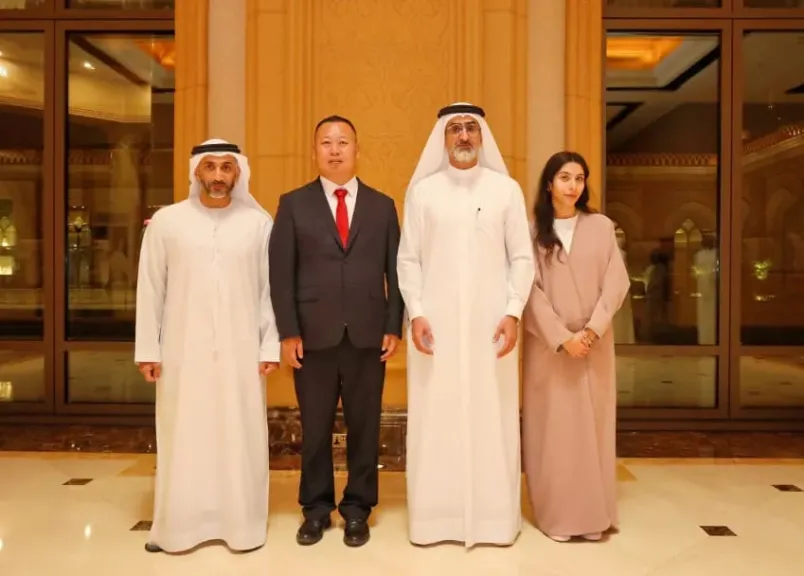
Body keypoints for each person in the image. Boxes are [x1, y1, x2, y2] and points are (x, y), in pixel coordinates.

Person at [396, 102, 535, 547]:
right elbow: (409, 259)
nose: (462, 135)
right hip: (434, 330)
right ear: (443, 137)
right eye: (454, 128)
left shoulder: (505, 190)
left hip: (492, 329)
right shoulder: (423, 193)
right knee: (436, 418)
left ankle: (494, 521)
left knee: (492, 416)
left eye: (470, 128)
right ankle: (435, 521)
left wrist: (513, 311)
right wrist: (417, 310)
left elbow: (522, 257)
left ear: (481, 136)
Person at [134, 139, 280, 554]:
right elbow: (150, 287)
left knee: (238, 433)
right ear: (196, 172)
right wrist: (149, 349)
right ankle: (178, 527)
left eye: (226, 167)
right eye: (210, 167)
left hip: (241, 351)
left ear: (238, 173)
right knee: (184, 434)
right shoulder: (168, 222)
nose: (218, 176)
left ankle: (241, 525)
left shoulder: (258, 224)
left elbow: (270, 291)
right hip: (182, 351)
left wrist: (269, 346)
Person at [268, 115, 404, 548]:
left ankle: (358, 509)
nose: (335, 149)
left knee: (365, 427)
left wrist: (393, 325)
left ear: (357, 150)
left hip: (368, 336)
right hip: (312, 337)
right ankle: (315, 509)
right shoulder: (293, 204)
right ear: (315, 152)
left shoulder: (382, 206)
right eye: (326, 142)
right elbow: (280, 274)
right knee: (315, 429)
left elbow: (397, 271)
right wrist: (288, 331)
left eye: (343, 142)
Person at [521, 151, 630, 543]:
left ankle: (594, 516)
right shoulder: (532, 232)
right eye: (565, 177)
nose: (573, 186)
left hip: (594, 346)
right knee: (554, 434)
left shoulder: (601, 227)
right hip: (549, 349)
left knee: (593, 430)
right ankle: (558, 518)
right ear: (549, 183)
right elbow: (527, 290)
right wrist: (561, 337)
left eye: (579, 178)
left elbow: (616, 282)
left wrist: (591, 332)